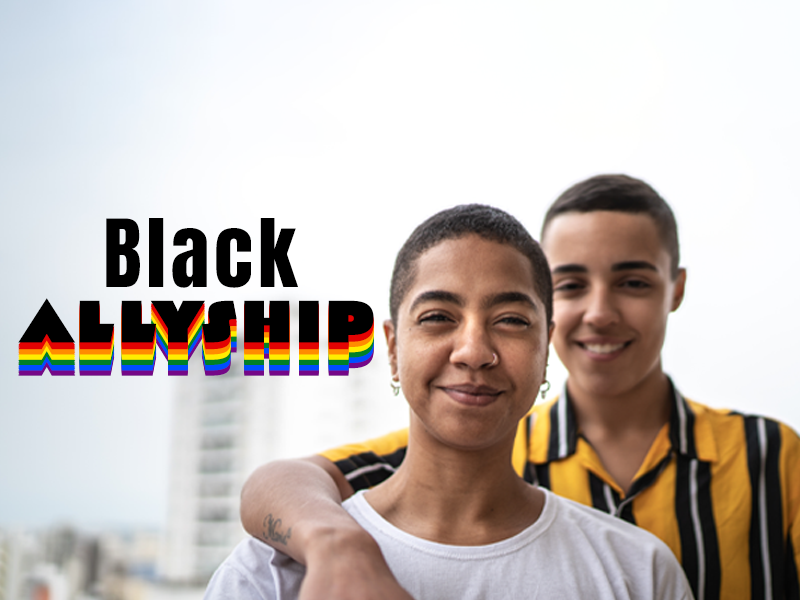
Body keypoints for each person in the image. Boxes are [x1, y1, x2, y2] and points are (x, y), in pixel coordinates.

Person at [238, 177, 800, 600]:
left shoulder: (772, 456)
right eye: (572, 283)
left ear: (675, 288)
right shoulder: (474, 435)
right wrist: (337, 546)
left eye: (632, 282)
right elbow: (283, 482)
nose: (600, 313)